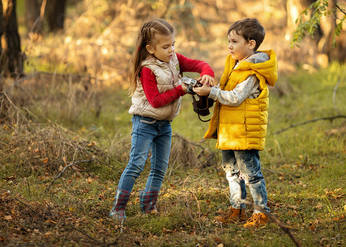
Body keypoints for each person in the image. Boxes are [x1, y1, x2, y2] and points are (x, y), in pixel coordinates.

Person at [109, 18, 214, 222]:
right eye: (165, 46)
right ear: (150, 48)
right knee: (136, 164)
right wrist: (181, 90)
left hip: (164, 125)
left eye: (173, 44)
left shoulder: (174, 59)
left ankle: (148, 205)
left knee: (160, 167)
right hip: (145, 123)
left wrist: (207, 74)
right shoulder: (147, 69)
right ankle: (118, 208)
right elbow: (155, 101)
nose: (171, 50)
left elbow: (200, 64)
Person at [193, 18, 278, 228]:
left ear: (250, 44)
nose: (229, 46)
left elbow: (235, 97)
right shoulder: (235, 65)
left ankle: (261, 213)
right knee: (231, 172)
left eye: (234, 41)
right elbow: (225, 89)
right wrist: (208, 87)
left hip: (244, 131)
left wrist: (212, 92)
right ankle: (237, 209)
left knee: (251, 174)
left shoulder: (252, 71)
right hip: (230, 131)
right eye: (228, 41)